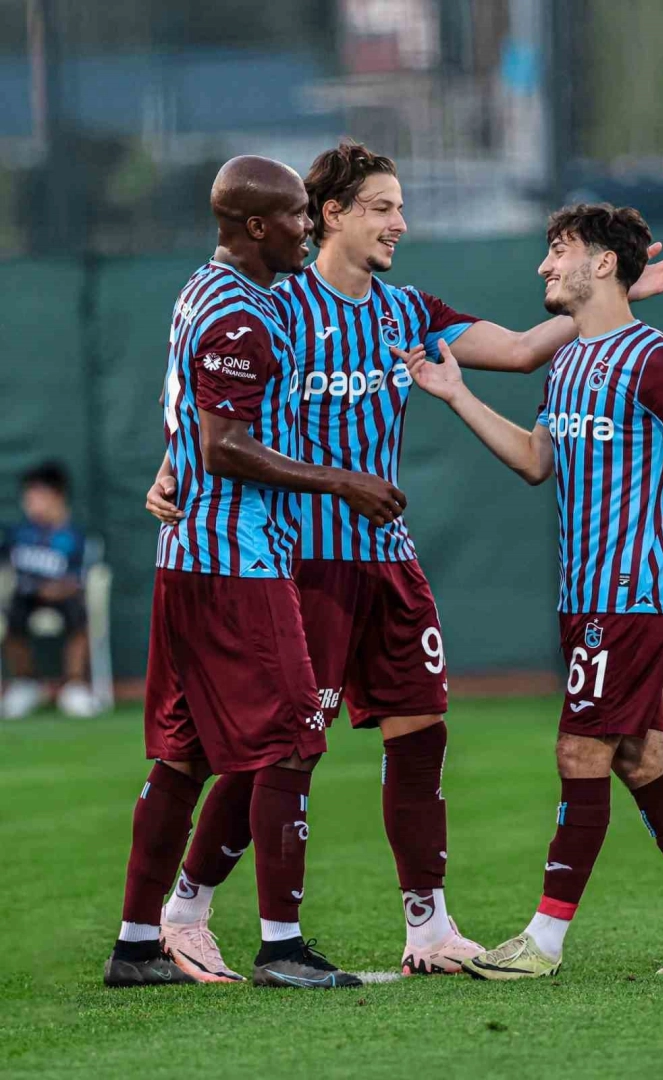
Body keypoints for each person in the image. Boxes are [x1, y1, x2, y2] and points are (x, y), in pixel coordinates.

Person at [146, 142, 663, 980]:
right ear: (330, 215)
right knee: (282, 750)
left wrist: (617, 297)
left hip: (388, 561)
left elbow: (520, 349)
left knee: (422, 731)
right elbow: (213, 403)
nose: (400, 222)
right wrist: (172, 464)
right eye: (382, 207)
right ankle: (187, 908)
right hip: (301, 562)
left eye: (401, 207)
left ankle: (428, 927)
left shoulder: (407, 311)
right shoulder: (276, 304)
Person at [398, 202, 663, 980]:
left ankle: (543, 942)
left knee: (579, 749)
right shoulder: (567, 362)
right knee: (642, 758)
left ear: (603, 263)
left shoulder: (660, 361)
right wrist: (456, 394)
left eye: (560, 250)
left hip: (633, 595)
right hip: (584, 597)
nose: (545, 266)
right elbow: (535, 459)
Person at [104, 155, 405, 989]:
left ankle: (136, 946)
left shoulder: (208, 290)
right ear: (258, 226)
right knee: (294, 740)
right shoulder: (240, 315)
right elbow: (224, 445)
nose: (310, 227)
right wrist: (344, 482)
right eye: (299, 215)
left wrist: (171, 470)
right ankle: (282, 948)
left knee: (186, 757)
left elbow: (193, 424)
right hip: (234, 561)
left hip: (189, 559)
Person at [1, 462, 97, 719]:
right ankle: (26, 684)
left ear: (57, 497)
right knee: (11, 613)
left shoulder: (74, 537)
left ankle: (74, 686)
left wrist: (58, 588)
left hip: (64, 597)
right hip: (26, 597)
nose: (31, 504)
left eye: (38, 497)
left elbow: (81, 578)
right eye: (28, 498)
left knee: (79, 613)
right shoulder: (19, 533)